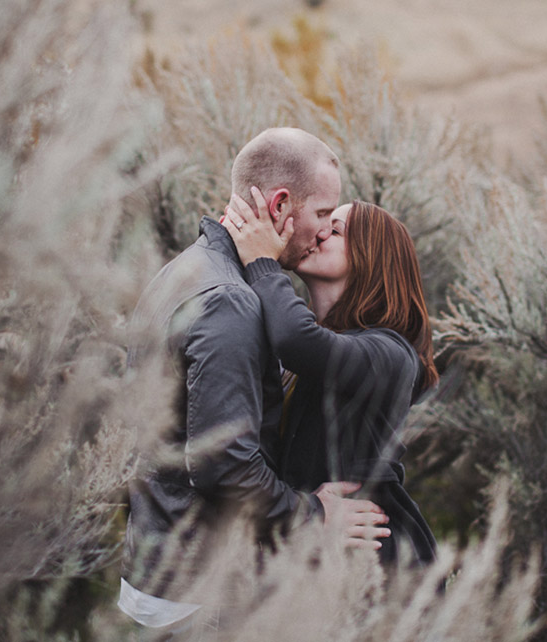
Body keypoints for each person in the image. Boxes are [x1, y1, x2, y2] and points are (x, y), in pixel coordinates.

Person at [119, 128, 390, 634]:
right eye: (322, 216)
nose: (324, 232)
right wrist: (315, 514)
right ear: (282, 204)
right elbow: (225, 466)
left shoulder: (185, 270)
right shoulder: (230, 301)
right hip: (199, 595)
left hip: (159, 569)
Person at [222, 189, 439, 565]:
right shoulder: (307, 355)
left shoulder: (392, 354)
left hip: (376, 562)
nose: (319, 233)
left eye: (335, 230)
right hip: (315, 555)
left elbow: (298, 339)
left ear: (371, 258)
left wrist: (261, 260)